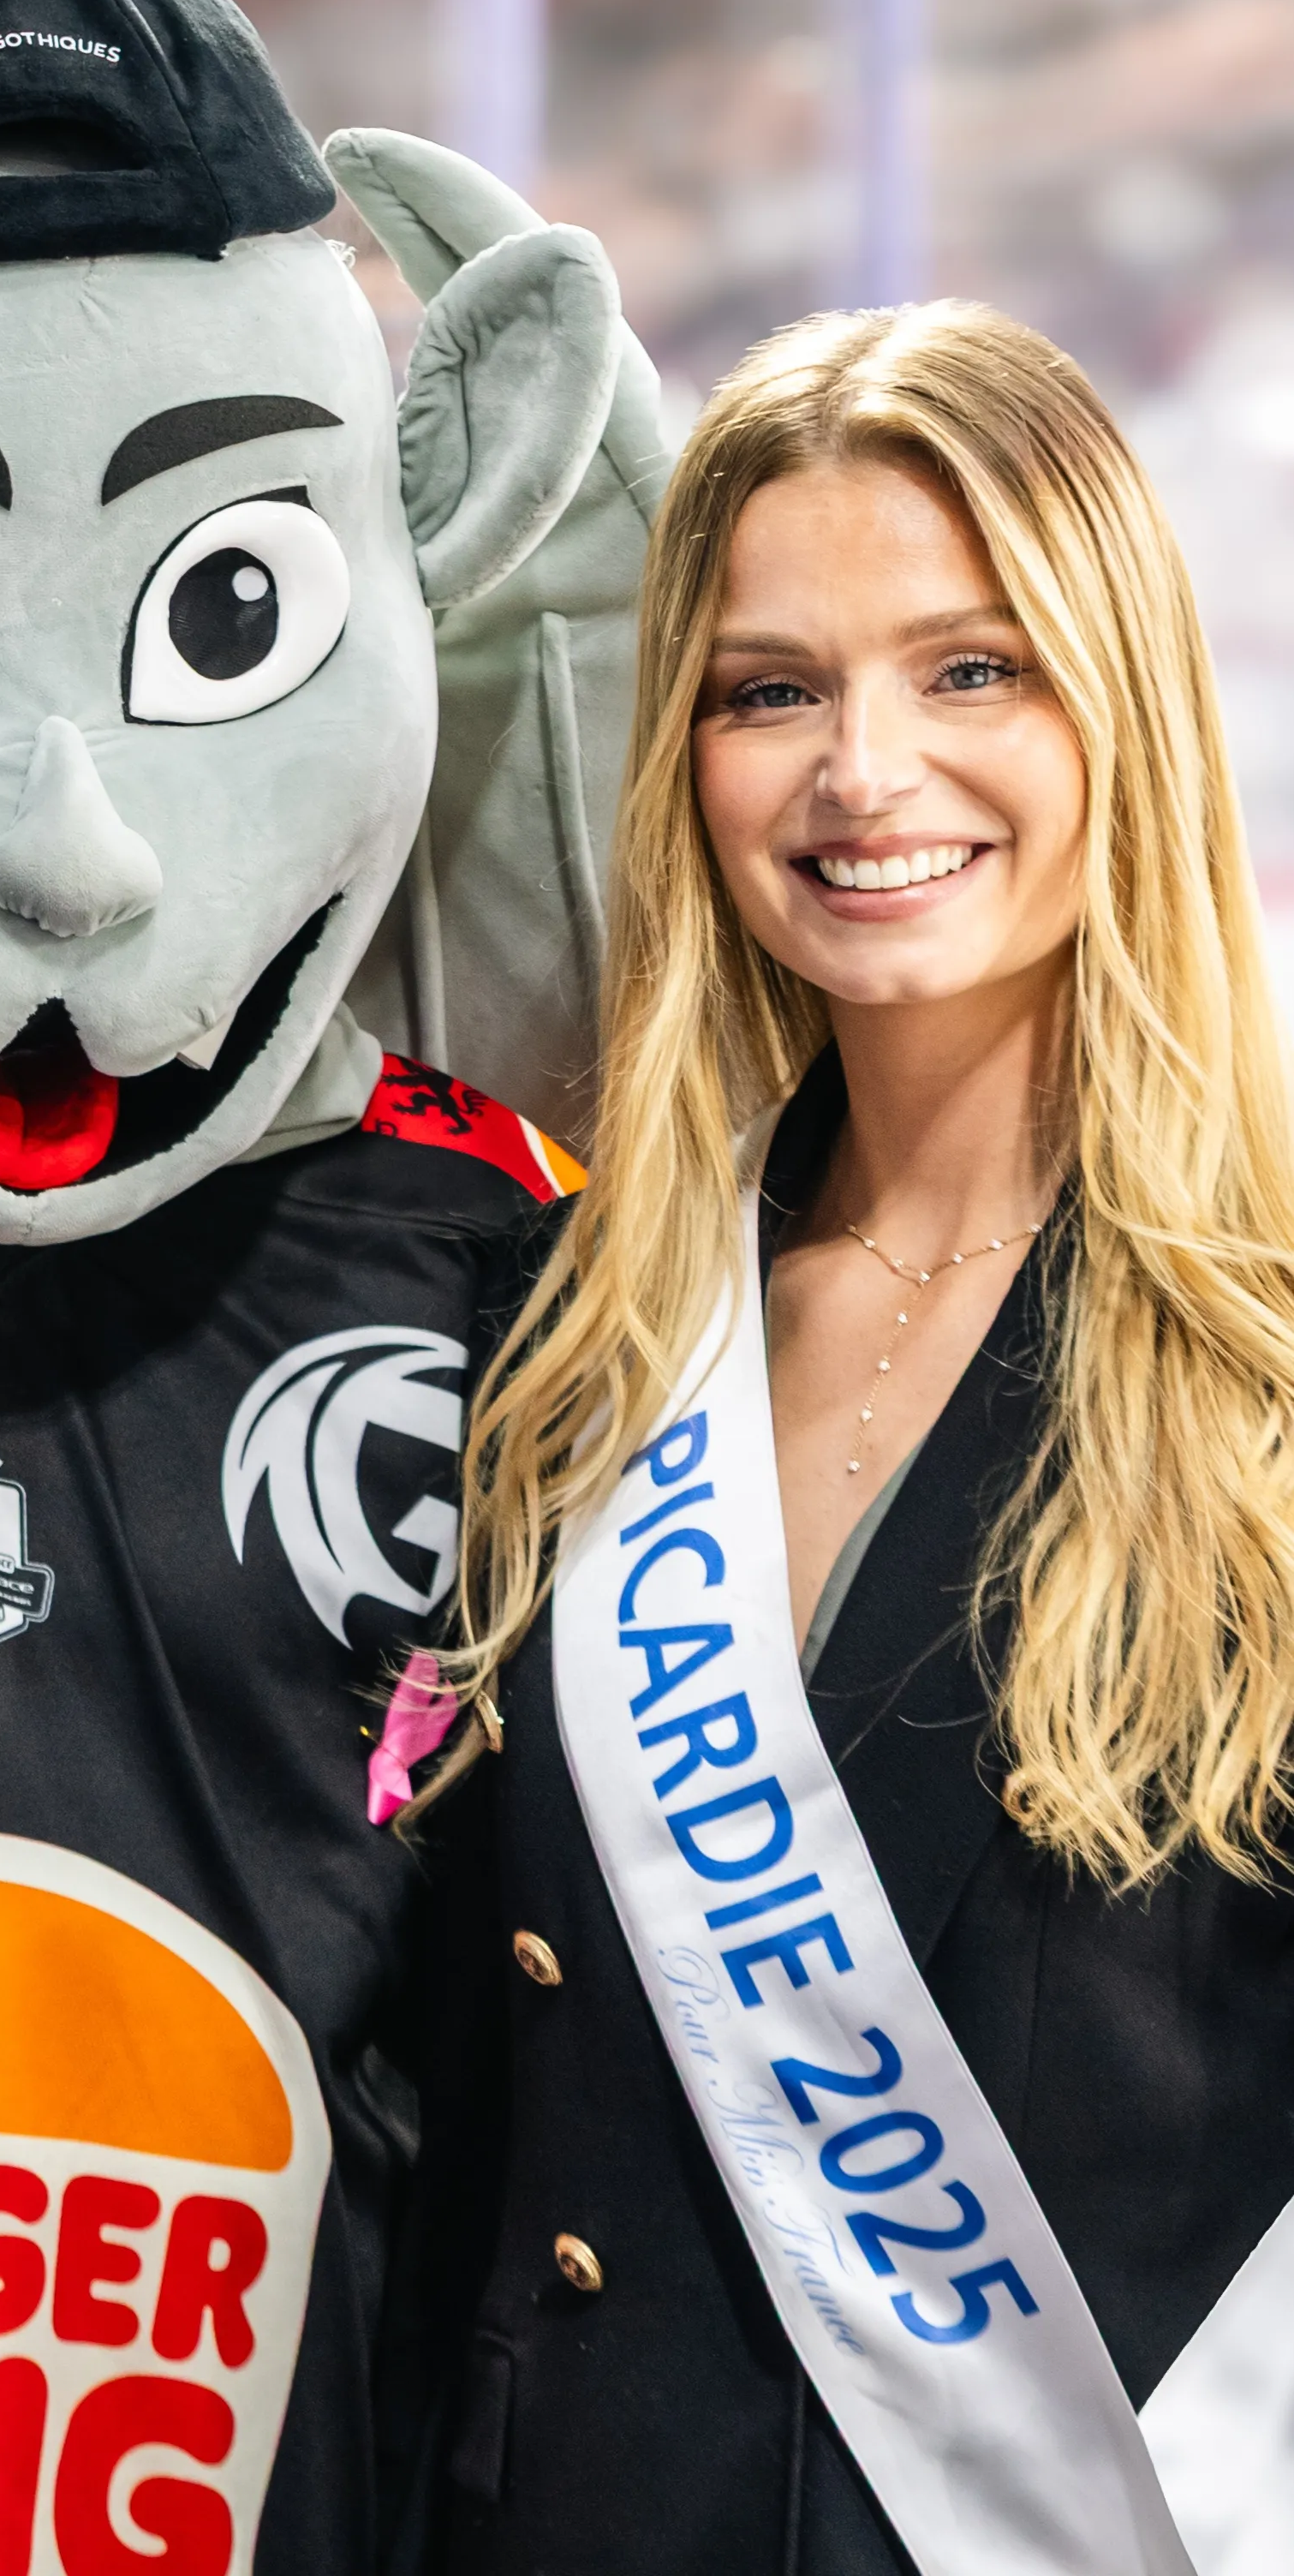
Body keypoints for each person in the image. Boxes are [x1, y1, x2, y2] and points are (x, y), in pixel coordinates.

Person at [415, 302, 1294, 2573]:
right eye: (766, 688)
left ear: (1119, 697)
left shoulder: (1264, 1362)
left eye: (969, 669)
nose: (858, 777)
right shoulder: (574, 1337)